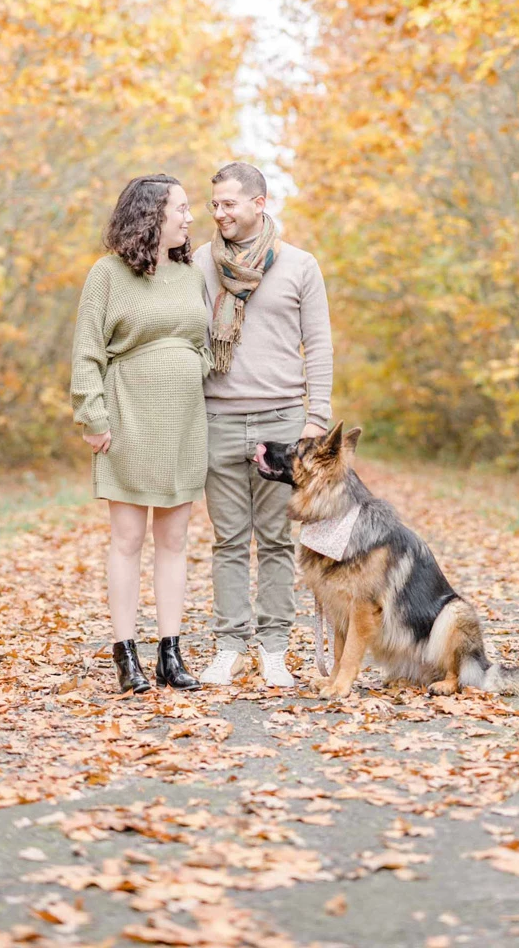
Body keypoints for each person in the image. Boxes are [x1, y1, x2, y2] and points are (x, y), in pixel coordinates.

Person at [194, 161, 333, 687]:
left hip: (283, 423)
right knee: (228, 541)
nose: (219, 213)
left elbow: (318, 344)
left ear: (259, 203)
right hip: (218, 418)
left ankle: (275, 648)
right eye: (214, 204)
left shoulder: (300, 265)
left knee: (275, 541)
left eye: (228, 203)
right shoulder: (199, 263)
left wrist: (316, 418)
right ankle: (229, 647)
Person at [71, 174, 211, 694]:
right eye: (182, 208)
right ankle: (125, 654)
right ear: (151, 214)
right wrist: (93, 417)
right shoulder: (106, 274)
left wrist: (192, 368)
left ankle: (170, 654)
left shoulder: (190, 274)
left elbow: (201, 343)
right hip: (128, 417)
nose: (190, 217)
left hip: (184, 423)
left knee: (174, 540)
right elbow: (87, 351)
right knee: (128, 539)